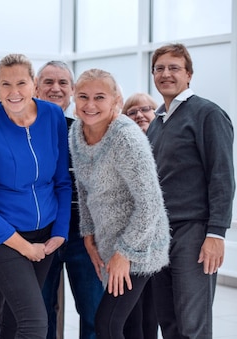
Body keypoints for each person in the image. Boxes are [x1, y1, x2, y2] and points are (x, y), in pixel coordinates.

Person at [0, 53, 71, 338]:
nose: (14, 93)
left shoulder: (53, 116)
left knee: (16, 321)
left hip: (46, 233)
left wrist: (60, 232)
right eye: (5, 85)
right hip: (4, 236)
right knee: (36, 322)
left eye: (21, 83)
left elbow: (62, 181)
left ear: (34, 84)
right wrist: (26, 248)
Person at [69, 68, 170, 338]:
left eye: (99, 97)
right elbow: (83, 186)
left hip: (140, 244)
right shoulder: (77, 131)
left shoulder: (127, 138)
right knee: (131, 326)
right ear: (74, 98)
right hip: (108, 242)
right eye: (83, 97)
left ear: (115, 101)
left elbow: (150, 204)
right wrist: (88, 233)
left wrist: (125, 253)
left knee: (107, 323)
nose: (90, 105)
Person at [147, 43, 235, 339]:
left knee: (191, 324)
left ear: (189, 75)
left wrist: (216, 234)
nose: (166, 74)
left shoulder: (207, 114)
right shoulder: (156, 123)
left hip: (193, 234)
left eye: (174, 68)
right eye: (159, 68)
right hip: (160, 235)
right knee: (168, 321)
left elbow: (222, 176)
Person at [36, 60, 103, 339]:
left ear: (72, 89)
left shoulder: (86, 130)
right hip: (39, 231)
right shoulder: (25, 131)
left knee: (94, 311)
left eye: (63, 83)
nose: (56, 88)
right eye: (48, 82)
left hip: (83, 232)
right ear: (36, 88)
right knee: (40, 312)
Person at [121, 92, 161, 339]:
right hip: (129, 246)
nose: (139, 115)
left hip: (158, 246)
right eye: (132, 112)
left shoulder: (165, 147)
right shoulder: (122, 150)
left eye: (145, 109)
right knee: (130, 316)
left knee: (153, 314)